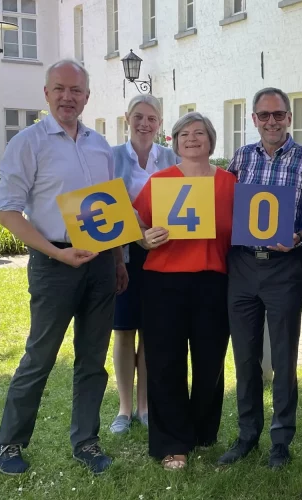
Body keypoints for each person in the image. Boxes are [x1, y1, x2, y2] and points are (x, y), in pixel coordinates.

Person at [0, 59, 127, 475]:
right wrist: (56, 252)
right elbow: (8, 211)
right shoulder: (28, 143)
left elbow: (111, 210)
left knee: (92, 358)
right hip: (55, 264)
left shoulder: (100, 145)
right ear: (46, 93)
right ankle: (9, 443)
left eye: (77, 91)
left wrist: (119, 261)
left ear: (87, 96)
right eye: (60, 89)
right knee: (40, 356)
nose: (68, 97)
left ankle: (86, 441)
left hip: (101, 263)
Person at [218, 87, 302, 469]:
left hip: (284, 269)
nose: (271, 122)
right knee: (244, 357)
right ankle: (247, 435)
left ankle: (281, 440)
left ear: (289, 118)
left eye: (278, 114)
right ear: (254, 120)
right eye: (264, 115)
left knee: (283, 356)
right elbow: (225, 207)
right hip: (243, 266)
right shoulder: (241, 158)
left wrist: (298, 236)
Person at [132, 112, 235, 470]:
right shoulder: (159, 181)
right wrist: (144, 239)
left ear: (211, 139)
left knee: (210, 363)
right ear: (174, 143)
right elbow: (133, 223)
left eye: (200, 133)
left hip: (213, 282)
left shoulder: (229, 183)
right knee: (165, 363)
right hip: (164, 282)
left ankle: (204, 430)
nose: (192, 138)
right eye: (183, 134)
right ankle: (171, 442)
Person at [109, 94, 179, 435]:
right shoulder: (111, 158)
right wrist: (129, 245)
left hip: (162, 254)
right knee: (123, 331)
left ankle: (144, 406)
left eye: (152, 118)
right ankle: (123, 408)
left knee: (151, 333)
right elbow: (107, 210)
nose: (144, 124)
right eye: (138, 117)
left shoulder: (171, 158)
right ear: (127, 118)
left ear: (160, 123)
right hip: (123, 254)